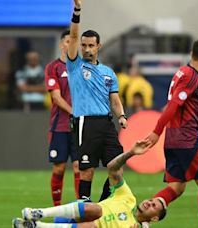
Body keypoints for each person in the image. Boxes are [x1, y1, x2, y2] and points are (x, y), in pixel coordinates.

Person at [145, 39, 198, 228]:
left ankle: (143, 218)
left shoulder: (182, 72)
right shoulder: (191, 77)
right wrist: (156, 132)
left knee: (176, 187)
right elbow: (173, 105)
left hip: (174, 139)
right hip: (188, 139)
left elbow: (183, 103)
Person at [12, 141, 167, 228]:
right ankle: (39, 213)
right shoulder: (128, 197)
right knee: (96, 208)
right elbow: (112, 168)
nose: (149, 203)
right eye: (152, 201)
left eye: (154, 207)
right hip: (72, 217)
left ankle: (37, 227)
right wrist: (131, 153)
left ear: (153, 219)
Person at [66, 0, 128, 202]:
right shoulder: (75, 66)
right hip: (85, 122)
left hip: (106, 123)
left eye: (90, 45)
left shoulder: (108, 72)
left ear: (98, 46)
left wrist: (121, 116)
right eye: (83, 45)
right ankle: (84, 208)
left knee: (116, 166)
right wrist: (77, 10)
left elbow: (115, 99)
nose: (86, 49)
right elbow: (73, 35)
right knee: (87, 170)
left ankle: (102, 204)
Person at [45, 30, 80, 206]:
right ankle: (57, 208)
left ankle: (81, 208)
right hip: (60, 126)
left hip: (79, 127)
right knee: (59, 168)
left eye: (73, 41)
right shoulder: (53, 67)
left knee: (78, 167)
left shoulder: (83, 67)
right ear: (61, 44)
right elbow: (56, 98)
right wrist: (74, 111)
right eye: (67, 41)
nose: (70, 44)